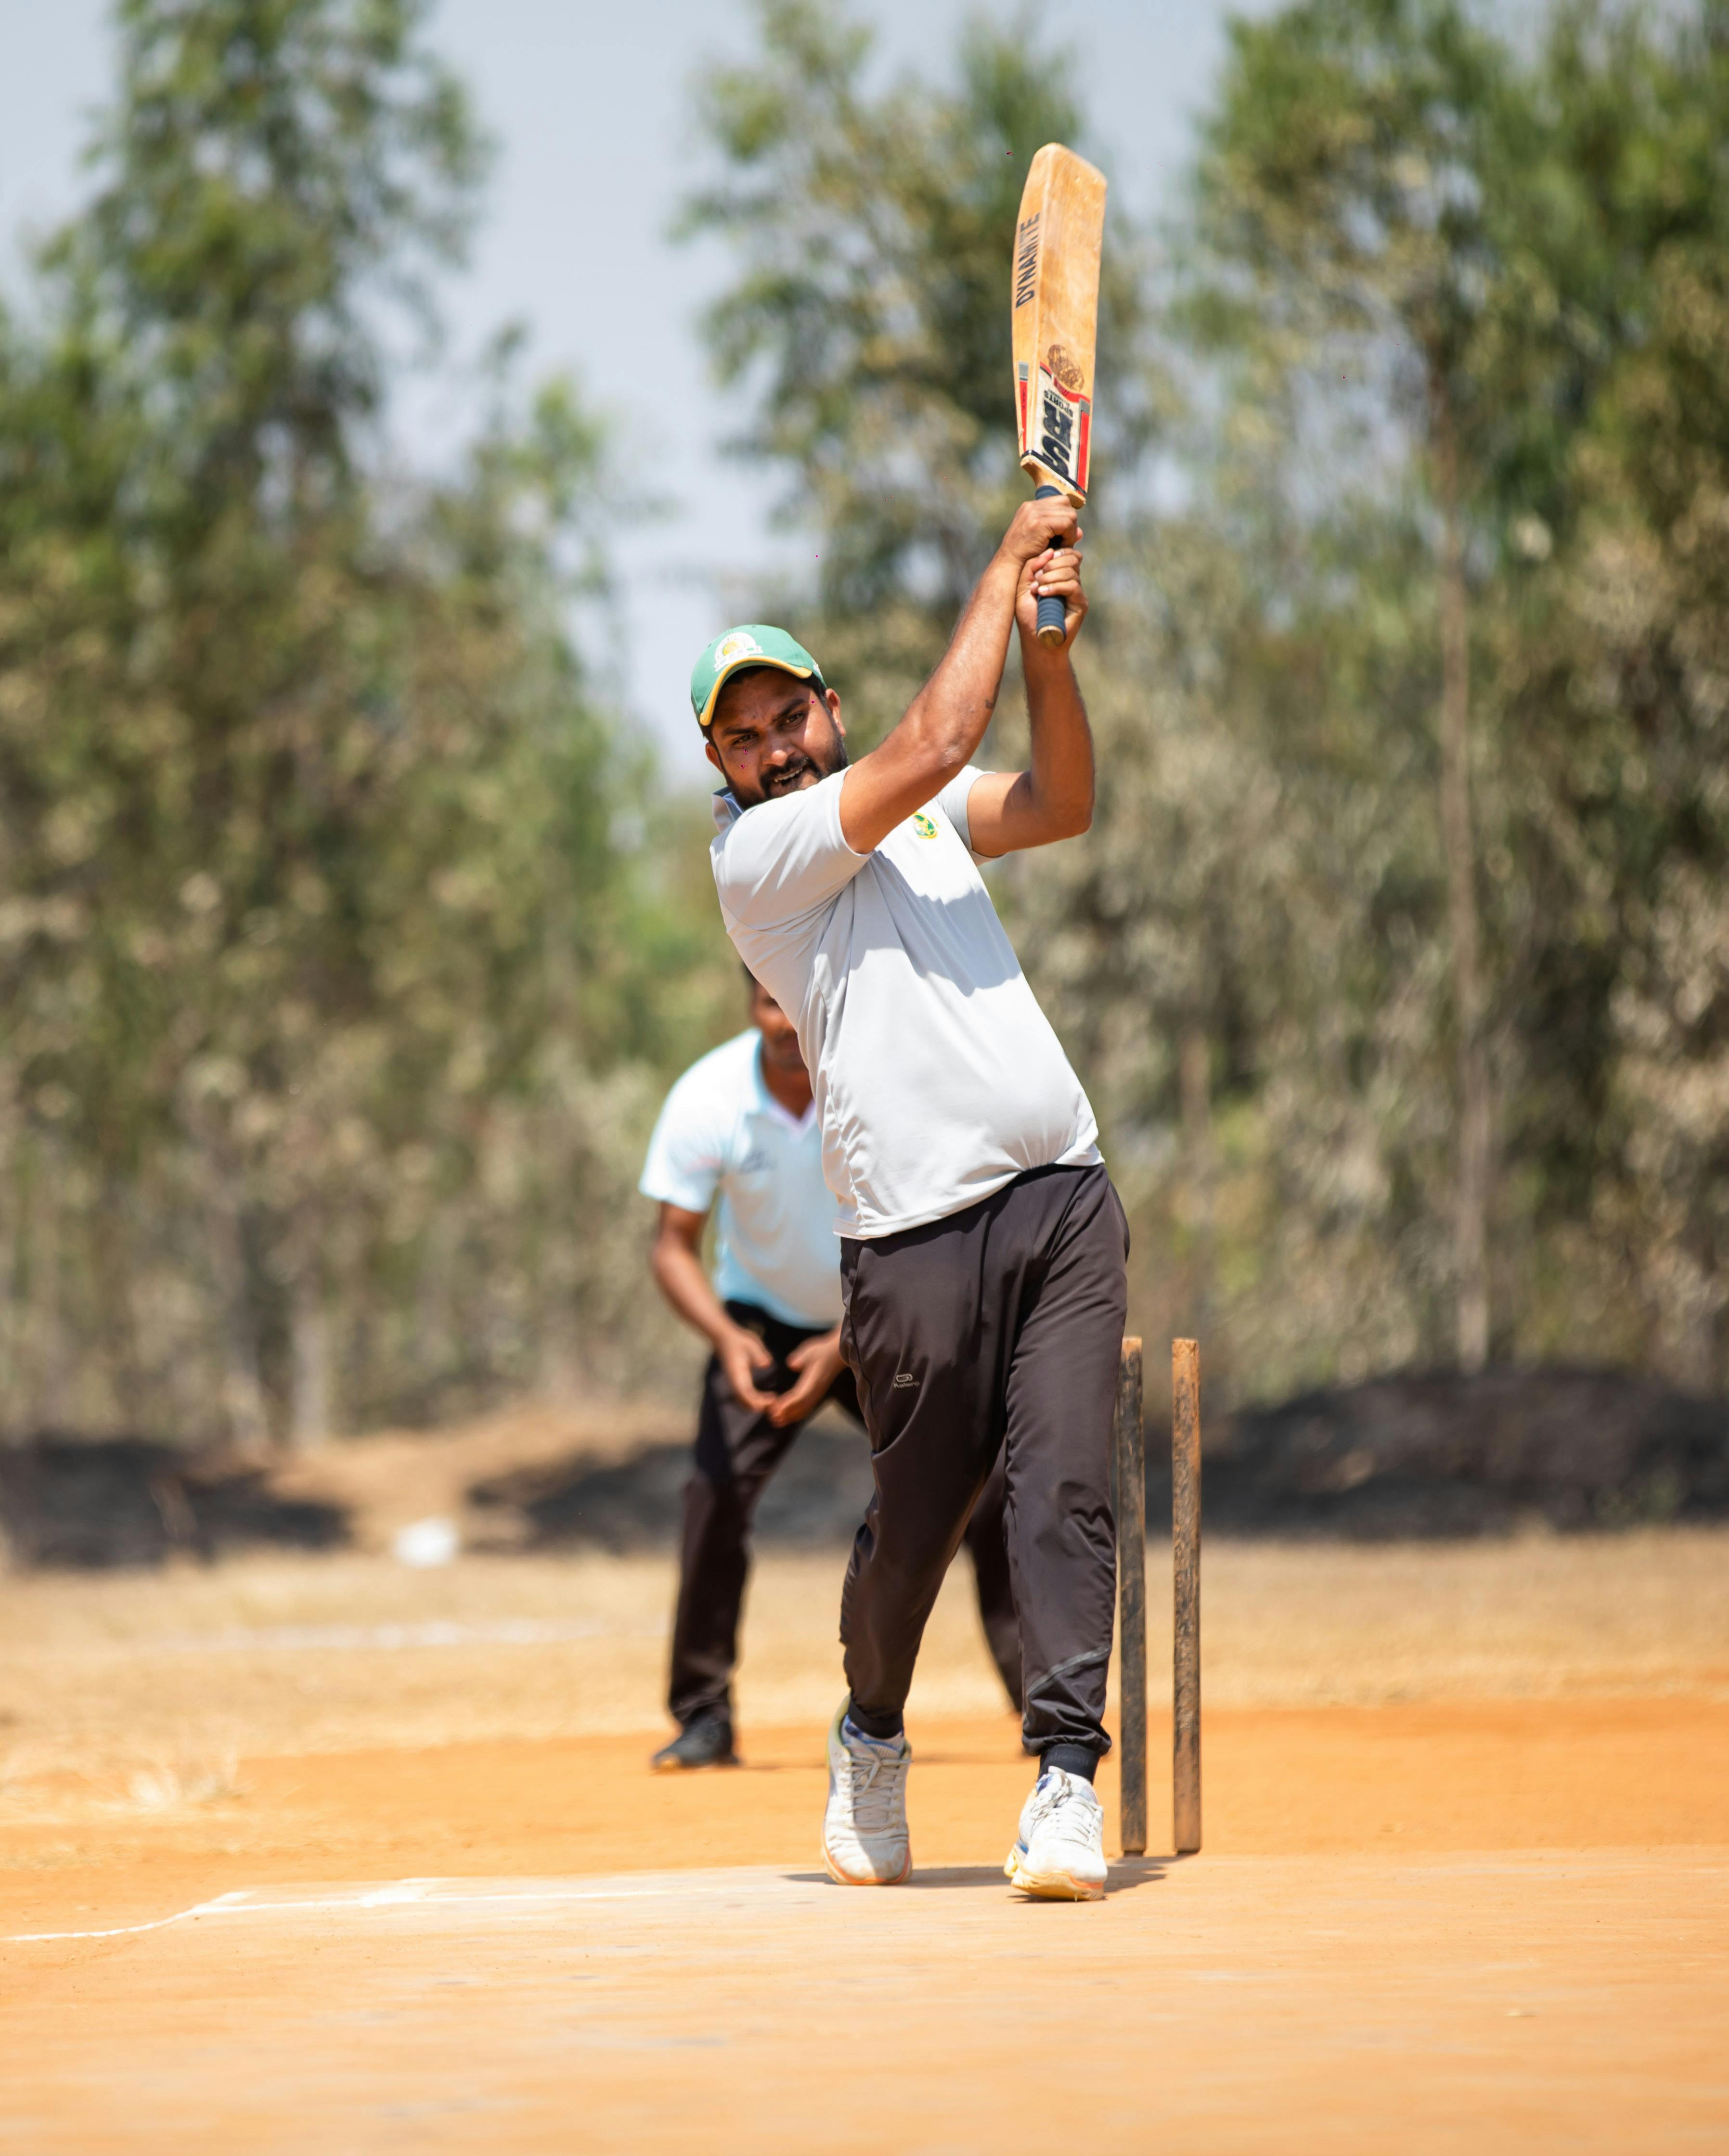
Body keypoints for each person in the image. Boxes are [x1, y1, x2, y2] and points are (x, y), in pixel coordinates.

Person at [693, 489, 1125, 1900]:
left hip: (1059, 1195)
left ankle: (1063, 1776)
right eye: (738, 734)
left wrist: (1049, 658)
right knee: (916, 1524)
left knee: (1060, 1489)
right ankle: (868, 1730)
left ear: (825, 705)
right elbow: (935, 736)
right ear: (717, 759)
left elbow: (1057, 801)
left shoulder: (925, 815)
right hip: (908, 1238)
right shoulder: (758, 860)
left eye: (785, 718)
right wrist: (1007, 563)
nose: (769, 748)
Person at [639, 975, 1021, 1771]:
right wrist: (725, 1337)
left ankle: (1038, 1698)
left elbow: (923, 1235)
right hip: (759, 1326)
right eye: (768, 1003)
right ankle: (704, 1718)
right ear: (749, 1004)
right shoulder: (708, 1097)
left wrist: (842, 1346)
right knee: (713, 1495)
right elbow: (671, 1244)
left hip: (871, 1317)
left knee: (981, 1488)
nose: (784, 1022)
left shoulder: (873, 1093)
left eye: (796, 1004)